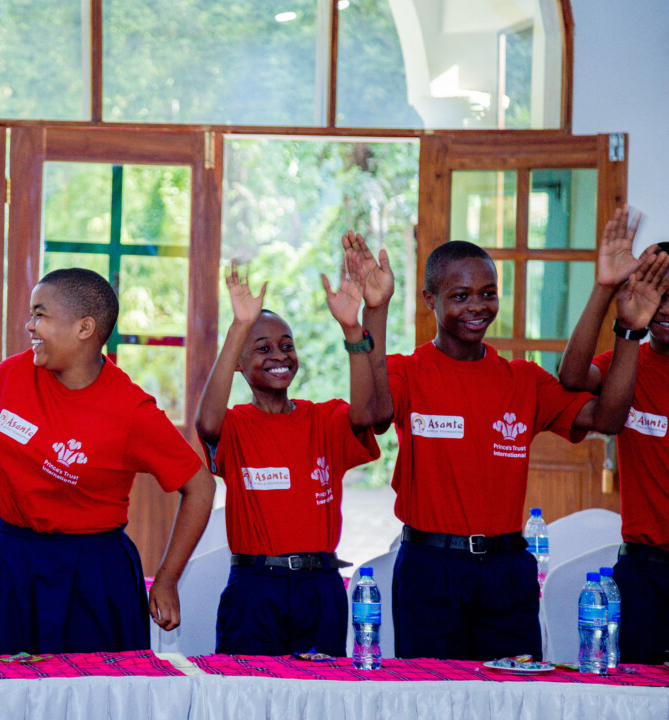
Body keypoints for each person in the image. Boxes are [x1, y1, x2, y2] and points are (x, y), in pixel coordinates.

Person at [380, 238, 668, 662]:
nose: (477, 306)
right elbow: (370, 414)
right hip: (430, 564)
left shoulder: (524, 379)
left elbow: (607, 420)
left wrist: (628, 330)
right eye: (460, 296)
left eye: (488, 293)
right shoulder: (407, 371)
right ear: (429, 299)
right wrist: (369, 319)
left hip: (507, 569)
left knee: (517, 689)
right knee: (433, 690)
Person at [0, 267, 215, 655]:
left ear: (84, 328)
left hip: (93, 577)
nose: (29, 326)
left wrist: (168, 579)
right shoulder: (18, 371)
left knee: (89, 688)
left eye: (40, 315)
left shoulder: (131, 410)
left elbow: (200, 485)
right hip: (10, 564)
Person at [194, 233, 392, 656]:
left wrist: (352, 328)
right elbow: (206, 423)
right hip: (254, 588)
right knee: (247, 690)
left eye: (287, 346)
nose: (279, 355)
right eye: (262, 348)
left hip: (319, 586)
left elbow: (367, 415)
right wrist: (239, 327)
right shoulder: (235, 425)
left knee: (319, 691)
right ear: (240, 365)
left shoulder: (324, 418)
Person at [558, 206, 669, 665]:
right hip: (643, 568)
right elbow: (572, 377)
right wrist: (605, 290)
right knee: (635, 690)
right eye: (658, 294)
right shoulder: (629, 363)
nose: (665, 309)